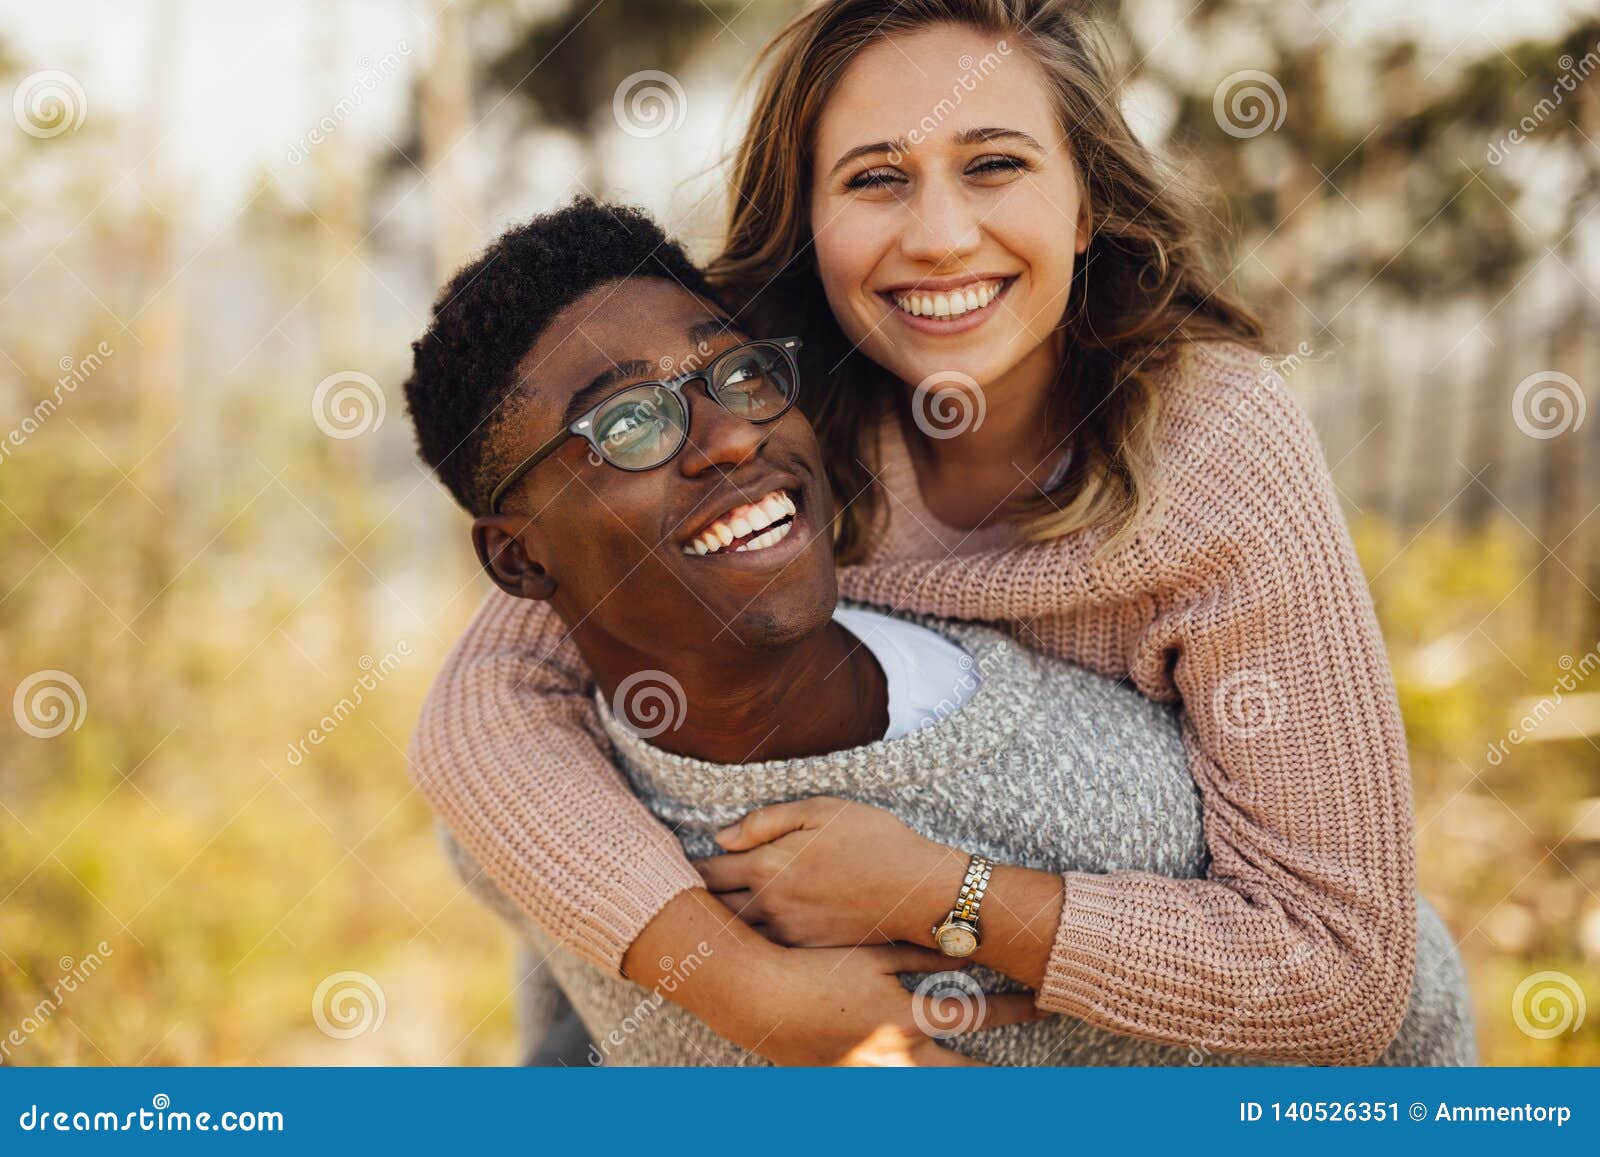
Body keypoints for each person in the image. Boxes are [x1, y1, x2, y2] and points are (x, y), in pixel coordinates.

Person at [410, 0, 1430, 1063]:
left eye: (993, 164)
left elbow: (1341, 972)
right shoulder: (768, 405)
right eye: (875, 177)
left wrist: (939, 890)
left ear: (1086, 205)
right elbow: (486, 704)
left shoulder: (1213, 440)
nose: (940, 237)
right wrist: (739, 981)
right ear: (808, 221)